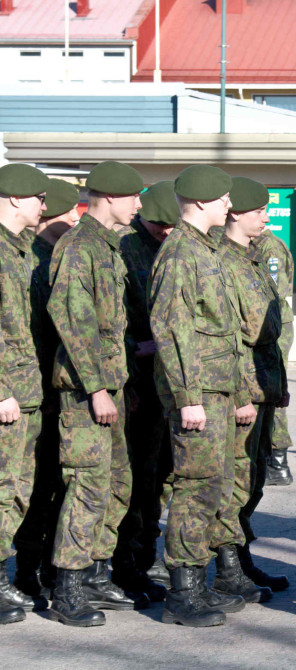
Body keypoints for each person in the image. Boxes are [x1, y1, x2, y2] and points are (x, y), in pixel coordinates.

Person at [149, 165, 250, 627]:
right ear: (203, 201)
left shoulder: (205, 249)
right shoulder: (179, 254)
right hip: (199, 393)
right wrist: (188, 397)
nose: (230, 205)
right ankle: (182, 591)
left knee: (213, 486)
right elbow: (173, 329)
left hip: (218, 389)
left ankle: (198, 581)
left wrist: (238, 391)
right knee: (194, 488)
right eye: (224, 198)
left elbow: (223, 332)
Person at [47, 161, 146, 626]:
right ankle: (67, 586)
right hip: (88, 393)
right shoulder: (78, 247)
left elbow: (113, 328)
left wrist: (123, 382)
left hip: (112, 387)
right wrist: (97, 388)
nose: (139, 205)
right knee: (86, 486)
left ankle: (95, 573)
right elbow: (74, 322)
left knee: (116, 484)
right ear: (109, 197)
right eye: (133, 196)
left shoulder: (109, 247)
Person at [216, 177, 289, 597]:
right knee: (235, 481)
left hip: (263, 386)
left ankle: (241, 559)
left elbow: (270, 332)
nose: (266, 218)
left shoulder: (253, 257)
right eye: (259, 211)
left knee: (254, 478)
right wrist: (241, 393)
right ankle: (227, 568)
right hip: (242, 389)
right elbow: (228, 337)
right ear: (235, 213)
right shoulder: (222, 261)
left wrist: (278, 385)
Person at [12, 177, 79, 603]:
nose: (74, 217)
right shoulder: (24, 257)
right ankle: (24, 569)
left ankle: (43, 566)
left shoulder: (56, 256)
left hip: (53, 390)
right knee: (28, 485)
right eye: (67, 211)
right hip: (27, 390)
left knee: (54, 482)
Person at [112, 180, 178, 602]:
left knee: (159, 476)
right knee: (134, 478)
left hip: (169, 381)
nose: (164, 231)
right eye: (158, 224)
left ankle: (146, 556)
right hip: (135, 377)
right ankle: (125, 563)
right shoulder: (124, 248)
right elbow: (108, 317)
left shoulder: (177, 247)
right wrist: (134, 348)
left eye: (171, 225)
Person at [0, 163, 49, 626]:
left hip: (26, 390)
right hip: (7, 395)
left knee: (15, 490)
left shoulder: (21, 250)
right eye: (39, 197)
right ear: (15, 198)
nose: (44, 206)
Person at [254, 227, 296, 487]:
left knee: (272, 392)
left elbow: (273, 291)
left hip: (271, 326)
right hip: (262, 325)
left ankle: (278, 463)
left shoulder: (268, 246)